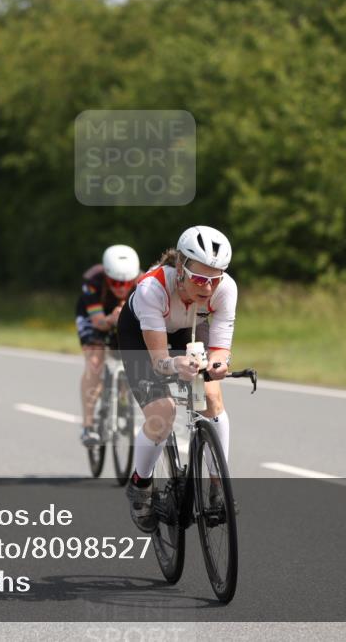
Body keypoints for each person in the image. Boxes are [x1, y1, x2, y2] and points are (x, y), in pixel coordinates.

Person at [117, 226, 237, 532]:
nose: (208, 288)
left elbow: (221, 346)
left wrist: (219, 364)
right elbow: (158, 361)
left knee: (210, 396)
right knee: (163, 413)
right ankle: (140, 484)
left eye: (215, 279)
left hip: (188, 328)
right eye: (199, 279)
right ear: (180, 268)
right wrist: (175, 365)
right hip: (142, 335)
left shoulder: (226, 289)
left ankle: (217, 485)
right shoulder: (151, 288)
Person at [75, 245, 141, 447]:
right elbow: (98, 322)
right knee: (94, 362)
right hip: (95, 317)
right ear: (106, 275)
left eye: (127, 283)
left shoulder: (145, 281)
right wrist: (111, 319)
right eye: (115, 282)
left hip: (126, 317)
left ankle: (123, 398)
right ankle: (88, 426)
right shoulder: (92, 281)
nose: (121, 288)